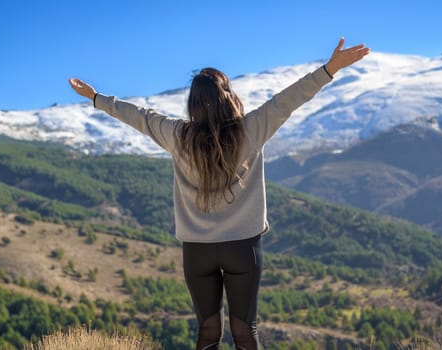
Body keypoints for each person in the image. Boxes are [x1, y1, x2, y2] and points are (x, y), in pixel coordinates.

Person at [69, 37, 370, 350]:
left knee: (208, 332)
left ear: (193, 105)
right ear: (229, 96)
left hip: (196, 250)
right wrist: (330, 68)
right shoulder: (251, 129)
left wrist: (95, 98)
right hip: (243, 248)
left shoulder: (177, 135)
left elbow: (139, 116)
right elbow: (289, 99)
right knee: (244, 332)